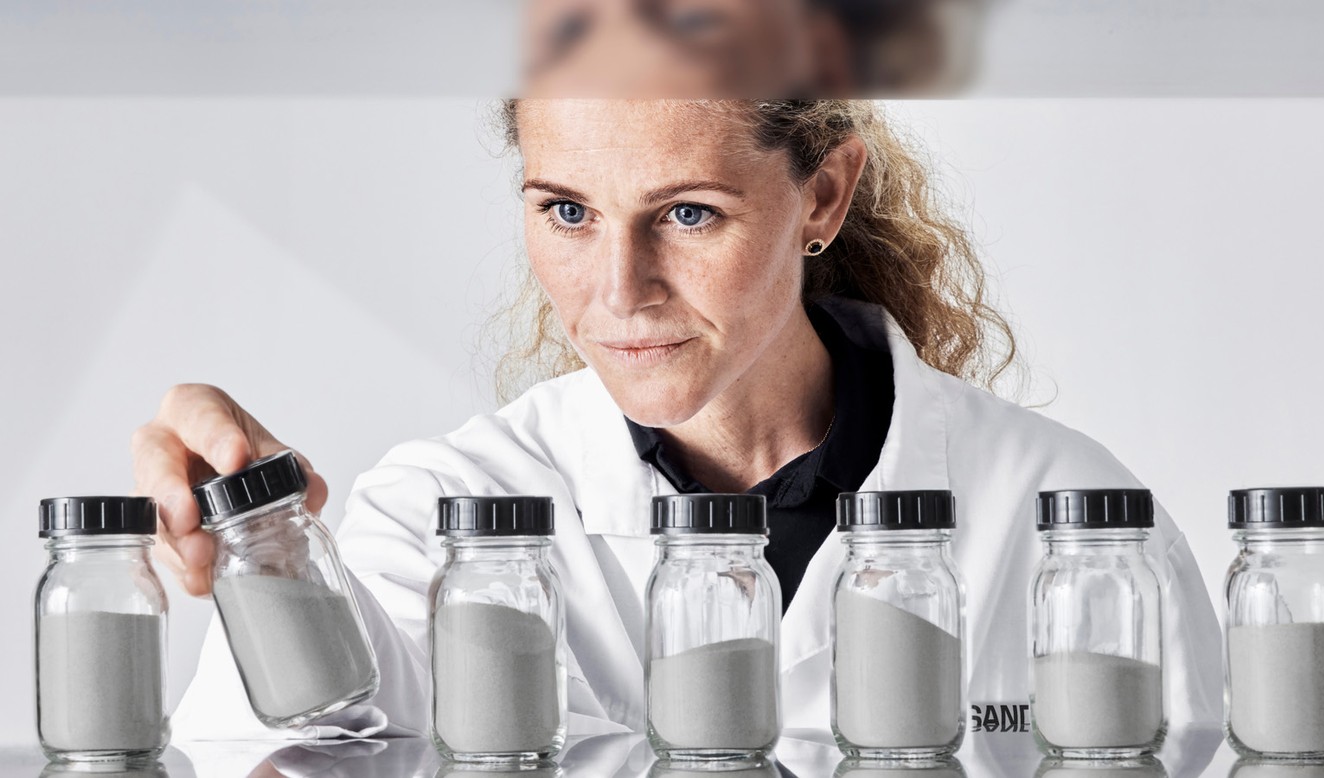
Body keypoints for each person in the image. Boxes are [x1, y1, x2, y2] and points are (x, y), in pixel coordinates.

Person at [134, 99, 1222, 741]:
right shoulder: (447, 510)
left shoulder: (1066, 515)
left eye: (688, 213)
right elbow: (296, 737)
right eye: (567, 211)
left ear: (823, 194)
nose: (619, 291)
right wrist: (266, 550)